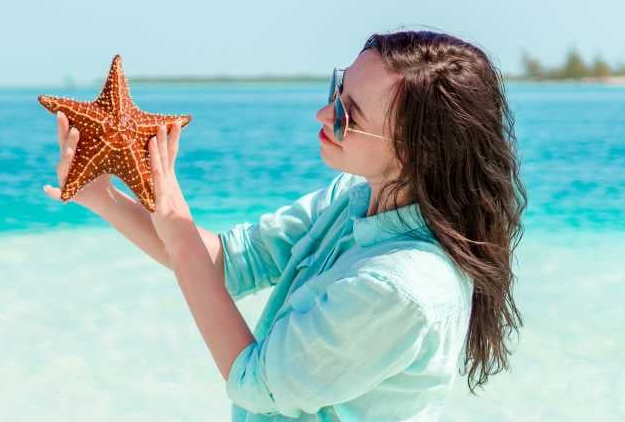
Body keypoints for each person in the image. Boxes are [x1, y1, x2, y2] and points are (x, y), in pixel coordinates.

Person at [43, 30, 526, 421]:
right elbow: (229, 264)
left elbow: (255, 382)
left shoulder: (400, 287)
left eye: (346, 115)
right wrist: (104, 197)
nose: (323, 114)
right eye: (337, 91)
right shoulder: (350, 201)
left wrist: (172, 216)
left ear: (416, 151)